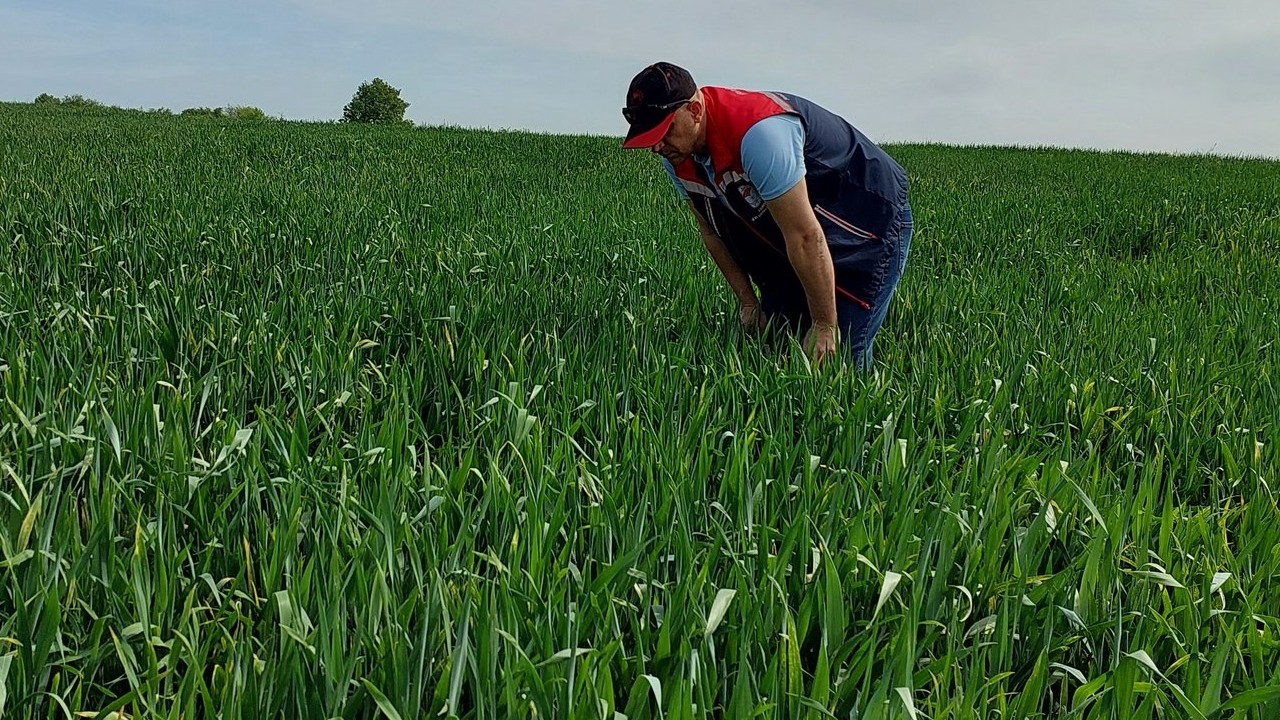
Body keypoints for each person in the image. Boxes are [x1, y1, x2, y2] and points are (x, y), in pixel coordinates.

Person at [621, 62, 913, 370]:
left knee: (838, 363)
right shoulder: (677, 155)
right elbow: (711, 231)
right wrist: (748, 301)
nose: (655, 146)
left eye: (663, 132)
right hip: (799, 230)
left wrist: (825, 324)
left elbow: (804, 237)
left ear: (694, 111)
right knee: (777, 342)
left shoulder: (760, 135)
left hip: (868, 222)